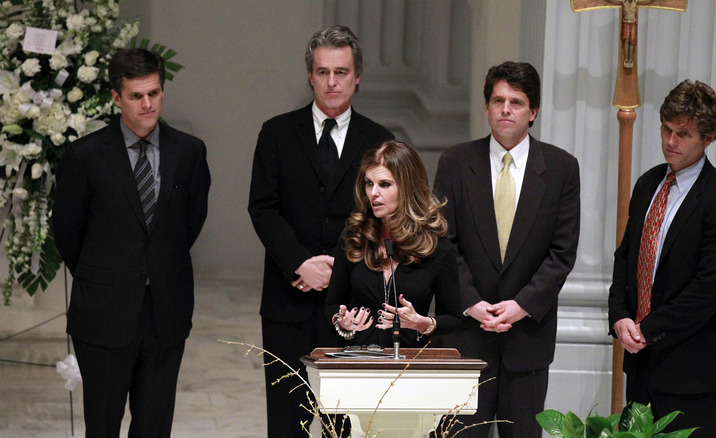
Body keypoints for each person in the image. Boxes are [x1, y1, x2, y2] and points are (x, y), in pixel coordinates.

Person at [52, 48, 211, 437]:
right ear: (115, 97)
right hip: (103, 314)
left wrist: (155, 267)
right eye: (136, 95)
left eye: (154, 93)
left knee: (155, 427)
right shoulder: (85, 156)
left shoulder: (189, 152)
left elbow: (190, 223)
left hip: (166, 313)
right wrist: (106, 275)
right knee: (102, 426)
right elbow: (67, 232)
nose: (147, 104)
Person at [247, 25, 394, 437]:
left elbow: (382, 215)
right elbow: (263, 208)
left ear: (357, 76)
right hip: (286, 297)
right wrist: (300, 263)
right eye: (323, 71)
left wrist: (338, 271)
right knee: (285, 421)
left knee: (343, 424)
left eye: (342, 72)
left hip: (352, 307)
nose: (332, 81)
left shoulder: (379, 140)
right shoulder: (276, 133)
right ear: (310, 75)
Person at [433, 61, 580, 437]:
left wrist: (521, 307)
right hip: (466, 333)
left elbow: (561, 254)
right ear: (486, 107)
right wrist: (471, 302)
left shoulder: (562, 168)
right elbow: (443, 243)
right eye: (498, 100)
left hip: (527, 337)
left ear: (533, 112)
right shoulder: (455, 162)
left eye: (516, 102)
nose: (505, 109)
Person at [608, 79, 716, 437]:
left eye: (683, 134)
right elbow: (625, 257)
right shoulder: (647, 184)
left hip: (690, 373)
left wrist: (647, 330)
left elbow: (706, 292)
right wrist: (620, 316)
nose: (670, 141)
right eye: (666, 129)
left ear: (709, 138)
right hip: (640, 365)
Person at [326, 140, 461, 347]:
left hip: (410, 364)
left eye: (384, 184)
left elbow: (454, 319)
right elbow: (333, 304)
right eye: (369, 183)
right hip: (359, 363)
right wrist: (342, 321)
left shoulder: (437, 247)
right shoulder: (355, 237)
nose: (373, 193)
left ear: (407, 187)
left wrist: (422, 323)